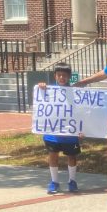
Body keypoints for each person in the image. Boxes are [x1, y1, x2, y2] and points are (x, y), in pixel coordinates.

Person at [37, 62, 81, 194]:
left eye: (65, 75)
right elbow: (40, 103)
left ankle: (72, 180)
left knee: (72, 157)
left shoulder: (76, 93)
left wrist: (82, 128)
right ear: (55, 76)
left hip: (71, 133)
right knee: (53, 156)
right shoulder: (48, 90)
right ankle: (54, 182)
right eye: (59, 75)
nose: (62, 77)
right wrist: (41, 86)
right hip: (52, 133)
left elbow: (83, 112)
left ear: (69, 76)